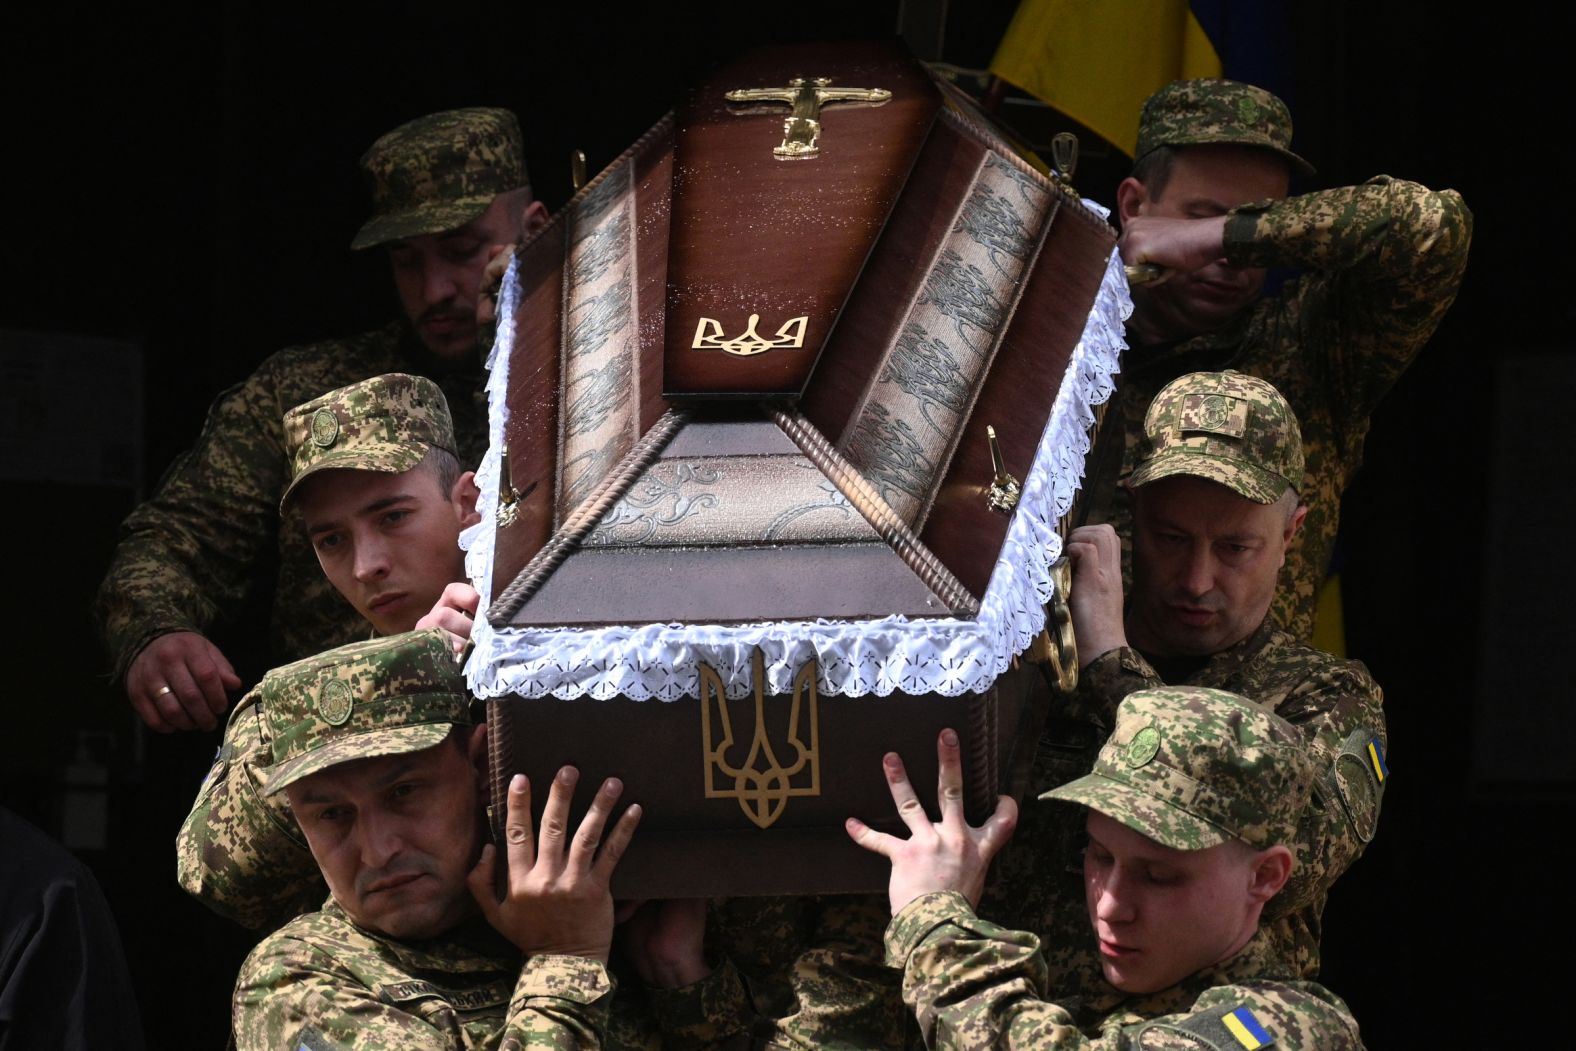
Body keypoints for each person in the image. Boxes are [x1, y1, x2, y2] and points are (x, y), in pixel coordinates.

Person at [95, 106, 547, 734]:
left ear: (535, 229)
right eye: (406, 261)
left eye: (462, 250)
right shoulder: (304, 393)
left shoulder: (585, 380)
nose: (436, 287)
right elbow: (180, 536)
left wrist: (524, 345)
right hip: (341, 753)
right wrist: (153, 629)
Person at [980, 370, 1389, 998]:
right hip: (1002, 1021)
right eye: (1170, 539)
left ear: (1290, 536)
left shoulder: (1321, 697)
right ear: (1129, 515)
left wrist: (1111, 667)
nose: (1197, 579)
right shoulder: (1036, 652)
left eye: (1234, 548)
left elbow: (1295, 861)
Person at [1084, 78, 1472, 640]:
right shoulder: (1064, 343)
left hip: (1247, 721)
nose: (1234, 262)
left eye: (1258, 225)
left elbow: (1434, 227)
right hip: (1061, 719)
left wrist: (1219, 236)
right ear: (1134, 206)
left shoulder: (1311, 342)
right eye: (1202, 215)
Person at [848, 688, 1364, 1049]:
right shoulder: (1083, 990)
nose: (1111, 905)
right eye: (1099, 856)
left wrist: (935, 920)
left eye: (1159, 875)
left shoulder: (1296, 1028)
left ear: (1265, 876)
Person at [231, 629, 639, 1050]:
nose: (377, 851)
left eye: (403, 793)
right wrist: (565, 961)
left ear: (481, 768)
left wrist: (680, 981)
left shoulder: (586, 907)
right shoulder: (297, 979)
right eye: (332, 815)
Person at [176, 373, 480, 931]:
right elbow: (213, 873)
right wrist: (390, 681)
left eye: (392, 517)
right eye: (331, 540)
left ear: (467, 503)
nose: (367, 565)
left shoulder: (565, 652)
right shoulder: (307, 698)